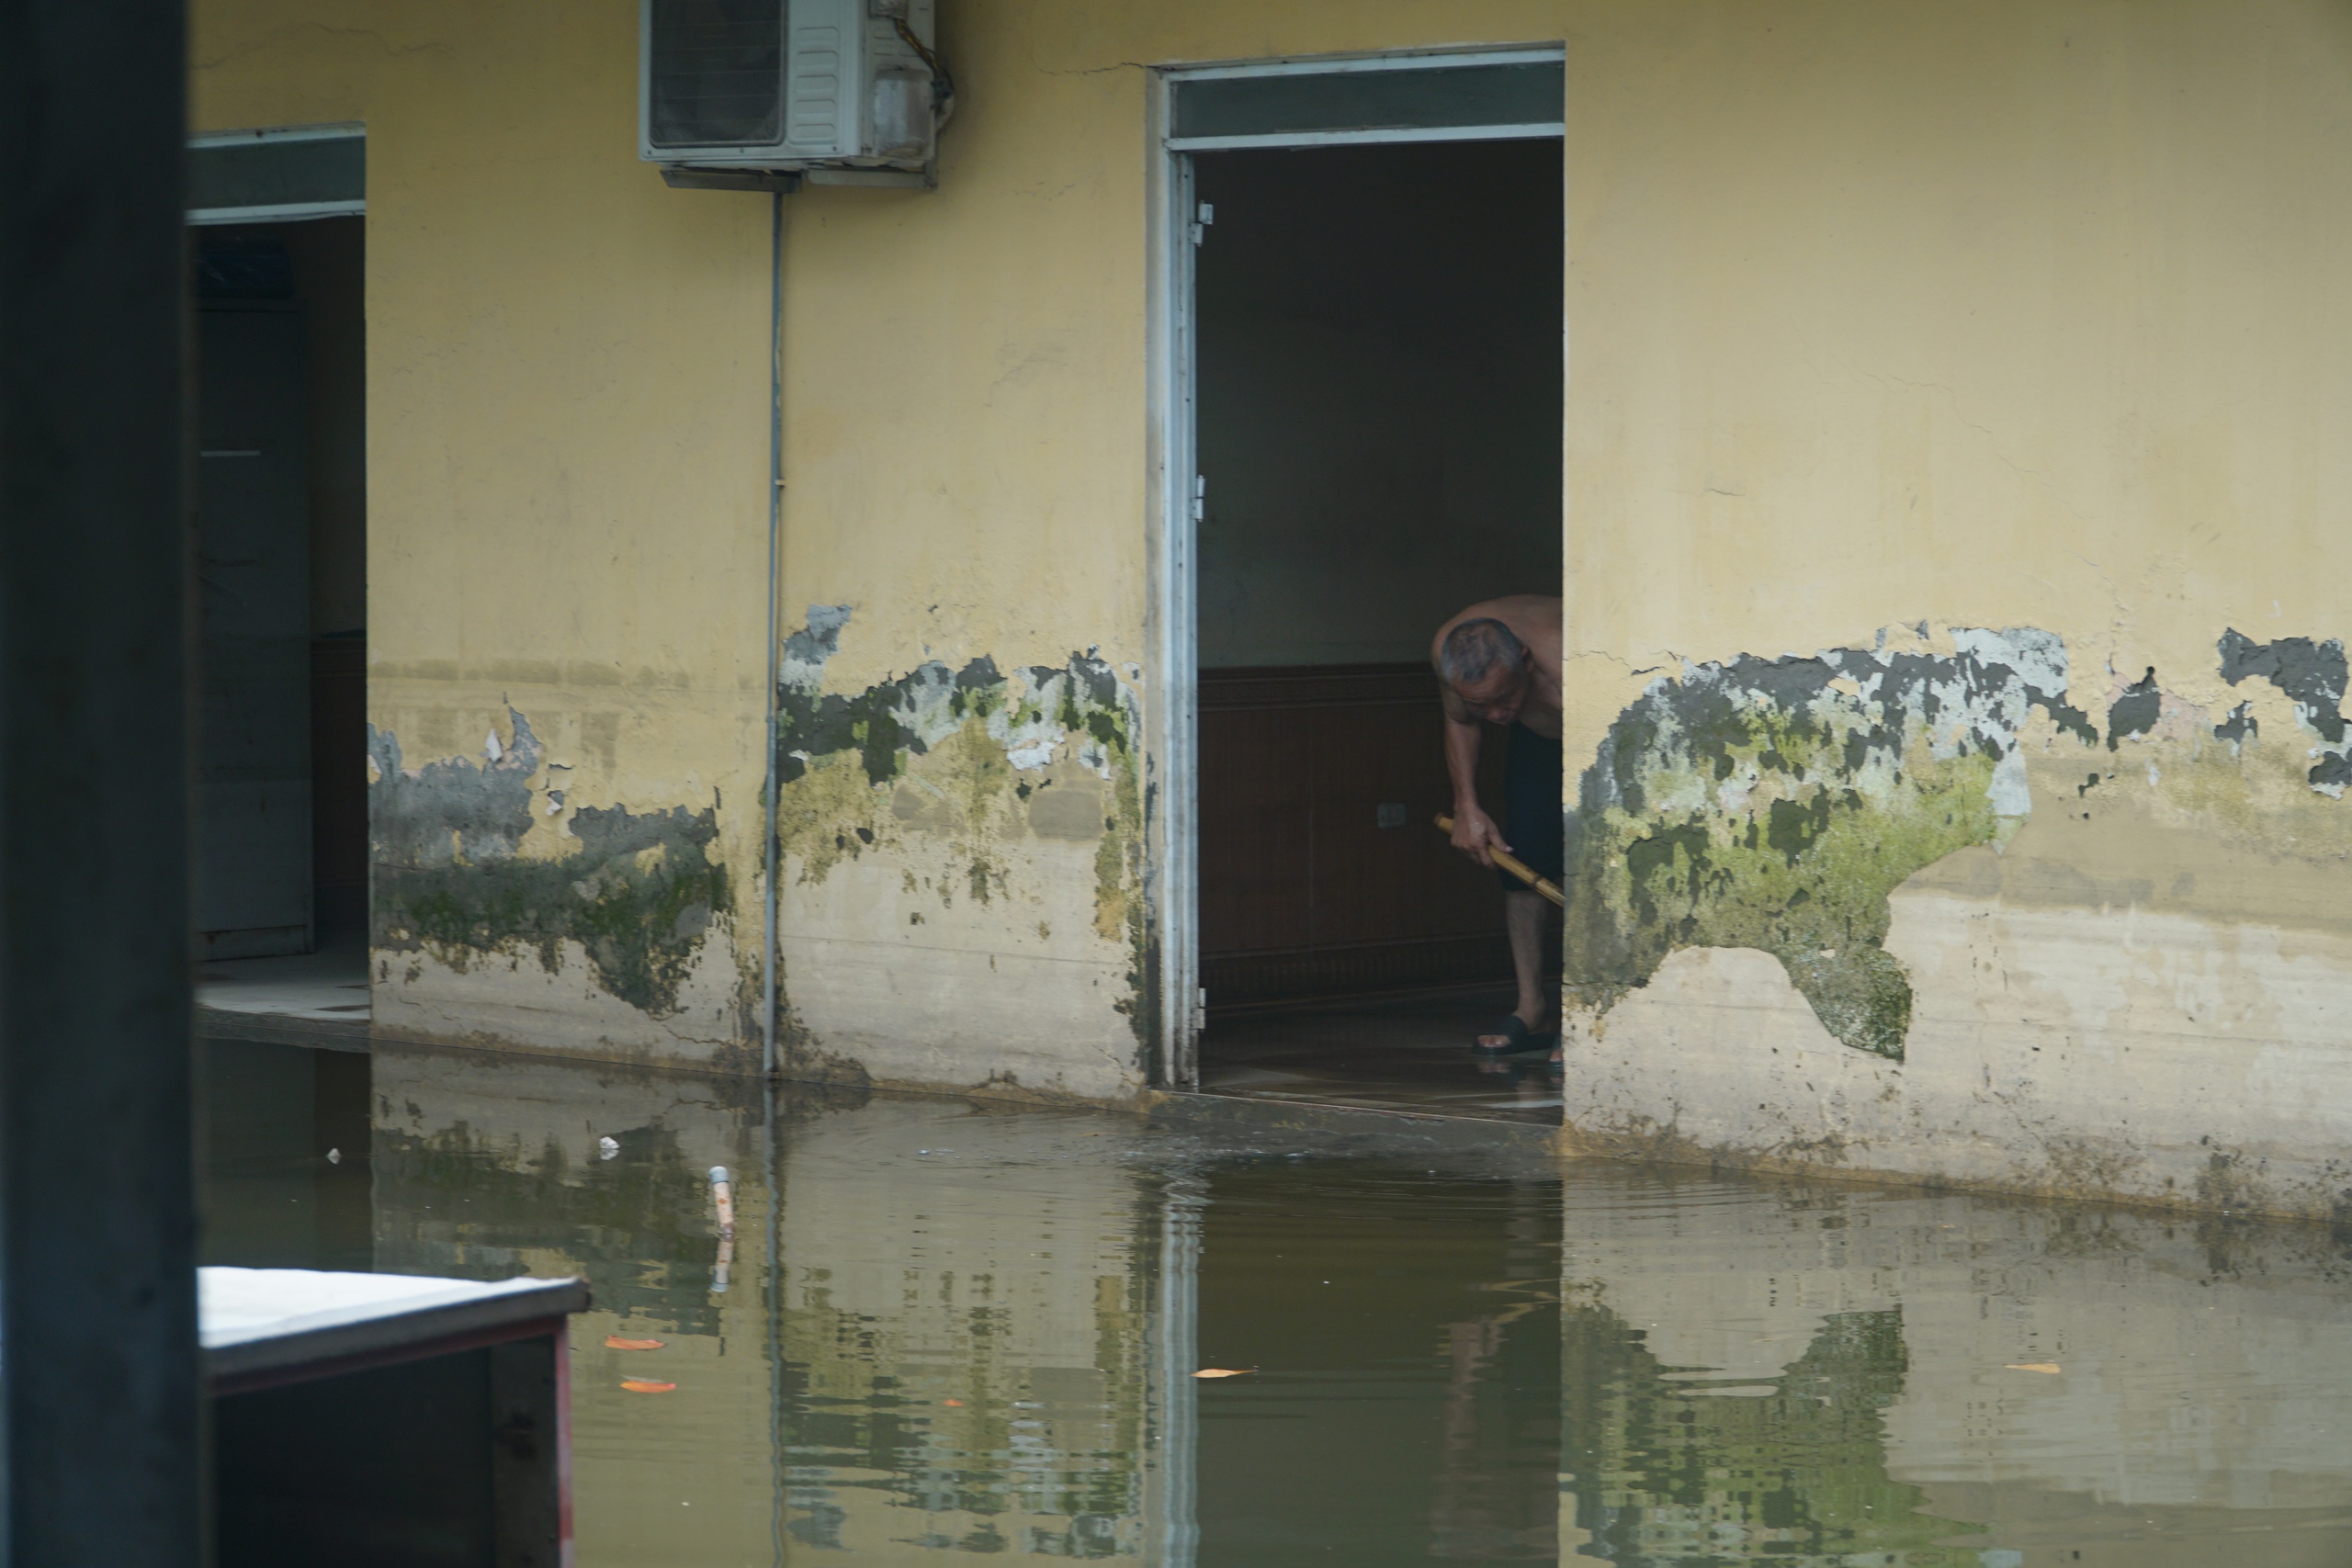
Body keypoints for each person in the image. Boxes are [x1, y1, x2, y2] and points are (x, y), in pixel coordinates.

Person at [1431, 597, 1563, 1055]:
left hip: (1602, 734)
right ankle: (1532, 1006)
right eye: (1482, 704)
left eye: (1504, 698)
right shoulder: (1448, 651)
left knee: (1598, 865)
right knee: (1519, 858)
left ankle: (1591, 1012)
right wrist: (1466, 804)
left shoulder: (1568, 657)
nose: (1497, 716)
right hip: (1541, 736)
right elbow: (1458, 719)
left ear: (1524, 661)